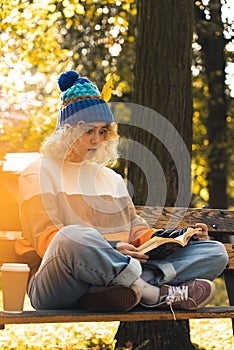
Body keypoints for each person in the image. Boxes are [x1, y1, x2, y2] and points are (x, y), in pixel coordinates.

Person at [16, 70, 228, 313]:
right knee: (70, 236)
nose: (97, 140)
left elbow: (137, 233)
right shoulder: (38, 172)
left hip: (115, 273)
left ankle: (112, 290)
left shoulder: (111, 179)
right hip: (58, 283)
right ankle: (152, 291)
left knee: (214, 252)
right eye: (88, 131)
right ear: (67, 132)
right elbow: (46, 240)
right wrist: (112, 248)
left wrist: (180, 236)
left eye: (103, 131)